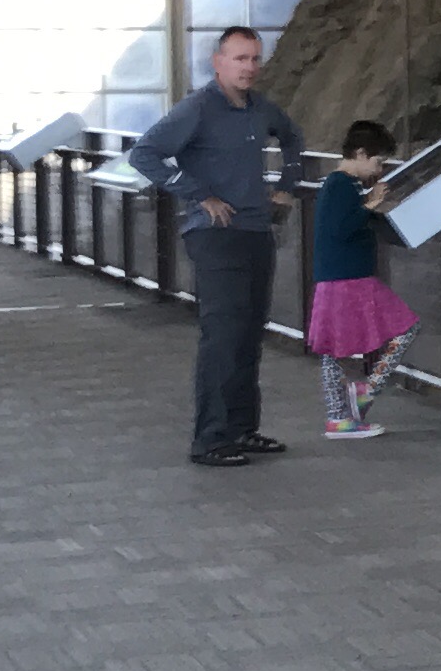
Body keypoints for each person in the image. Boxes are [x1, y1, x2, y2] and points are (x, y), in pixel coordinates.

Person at [133, 25, 304, 468]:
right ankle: (209, 439)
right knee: (224, 336)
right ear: (218, 62)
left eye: (255, 59)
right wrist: (199, 195)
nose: (249, 67)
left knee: (248, 334)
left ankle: (242, 429)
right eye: (240, 58)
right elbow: (144, 153)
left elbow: (293, 138)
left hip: (256, 233)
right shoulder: (197, 108)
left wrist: (286, 185)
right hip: (216, 236)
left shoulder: (260, 108)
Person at [307, 121, 419, 439]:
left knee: (333, 349)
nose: (379, 170)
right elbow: (342, 228)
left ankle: (339, 416)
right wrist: (370, 203)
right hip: (348, 278)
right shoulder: (341, 185)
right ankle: (364, 393)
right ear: (360, 154)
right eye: (378, 162)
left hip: (338, 276)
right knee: (405, 328)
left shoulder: (340, 184)